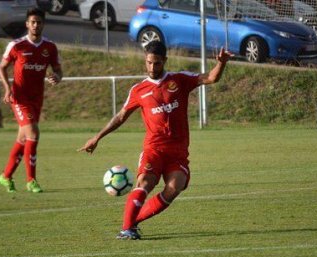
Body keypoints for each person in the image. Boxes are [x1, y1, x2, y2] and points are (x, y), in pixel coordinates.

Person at [78, 41, 233, 239]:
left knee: (174, 187)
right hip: (154, 149)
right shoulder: (139, 90)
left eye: (157, 63)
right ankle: (126, 230)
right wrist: (97, 137)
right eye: (149, 63)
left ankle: (132, 223)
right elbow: (120, 116)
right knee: (144, 183)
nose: (152, 67)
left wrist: (221, 63)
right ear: (146, 61)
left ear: (164, 61)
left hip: (177, 153)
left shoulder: (180, 80)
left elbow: (211, 78)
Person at [0, 7, 63, 193]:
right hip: (19, 98)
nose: (36, 25)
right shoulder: (16, 46)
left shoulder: (49, 47)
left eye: (39, 22)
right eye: (32, 22)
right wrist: (7, 88)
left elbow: (58, 70)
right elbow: (1, 67)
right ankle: (31, 180)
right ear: (27, 24)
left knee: (22, 139)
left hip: (37, 99)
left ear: (43, 24)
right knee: (33, 134)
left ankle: (6, 176)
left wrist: (57, 77)